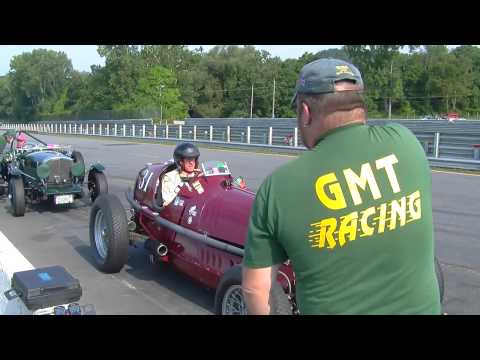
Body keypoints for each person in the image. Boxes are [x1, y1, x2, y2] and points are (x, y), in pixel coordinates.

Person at [242, 58, 441, 315]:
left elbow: (254, 289)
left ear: (305, 111)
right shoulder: (406, 143)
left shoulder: (278, 188)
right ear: (359, 102)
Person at [161, 142, 202, 207]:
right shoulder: (170, 178)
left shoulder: (199, 175)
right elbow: (168, 203)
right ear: (180, 161)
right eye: (188, 159)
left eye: (193, 159)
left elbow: (205, 195)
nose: (191, 163)